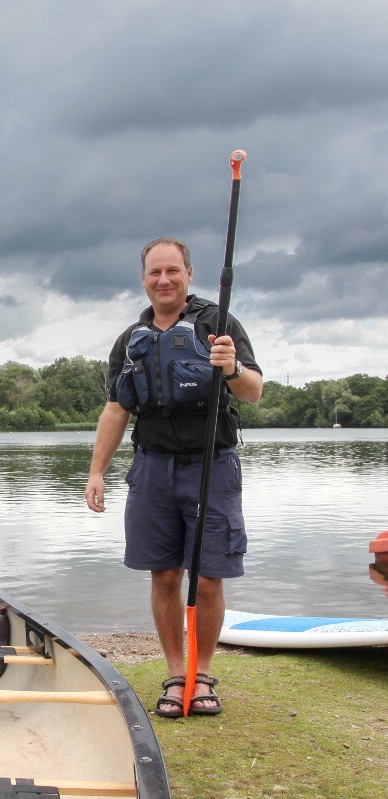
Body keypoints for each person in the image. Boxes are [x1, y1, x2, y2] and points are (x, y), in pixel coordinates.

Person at [85, 237, 263, 718]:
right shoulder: (129, 340)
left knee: (207, 579)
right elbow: (117, 407)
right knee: (163, 574)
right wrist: (96, 471)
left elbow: (254, 391)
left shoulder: (217, 324)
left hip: (211, 465)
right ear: (143, 279)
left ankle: (203, 675)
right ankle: (175, 672)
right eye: (154, 273)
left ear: (188, 273)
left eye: (172, 271)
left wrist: (230, 368)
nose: (163, 280)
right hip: (152, 467)